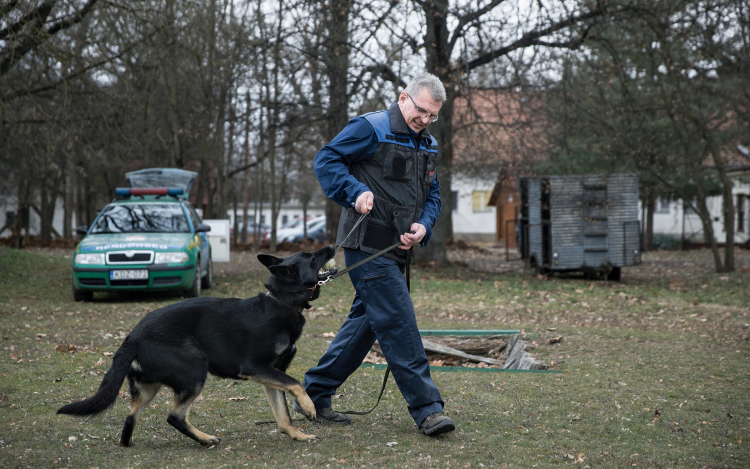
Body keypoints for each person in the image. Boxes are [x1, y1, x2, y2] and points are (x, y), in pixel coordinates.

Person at [294, 73, 455, 436]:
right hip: (365, 247)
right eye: (421, 111)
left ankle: (314, 393)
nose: (425, 120)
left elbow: (433, 195)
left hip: (397, 250)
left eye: (433, 116)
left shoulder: (427, 144)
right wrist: (354, 191)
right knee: (399, 321)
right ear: (403, 98)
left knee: (365, 326)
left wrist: (425, 226)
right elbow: (327, 159)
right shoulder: (371, 128)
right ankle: (428, 409)